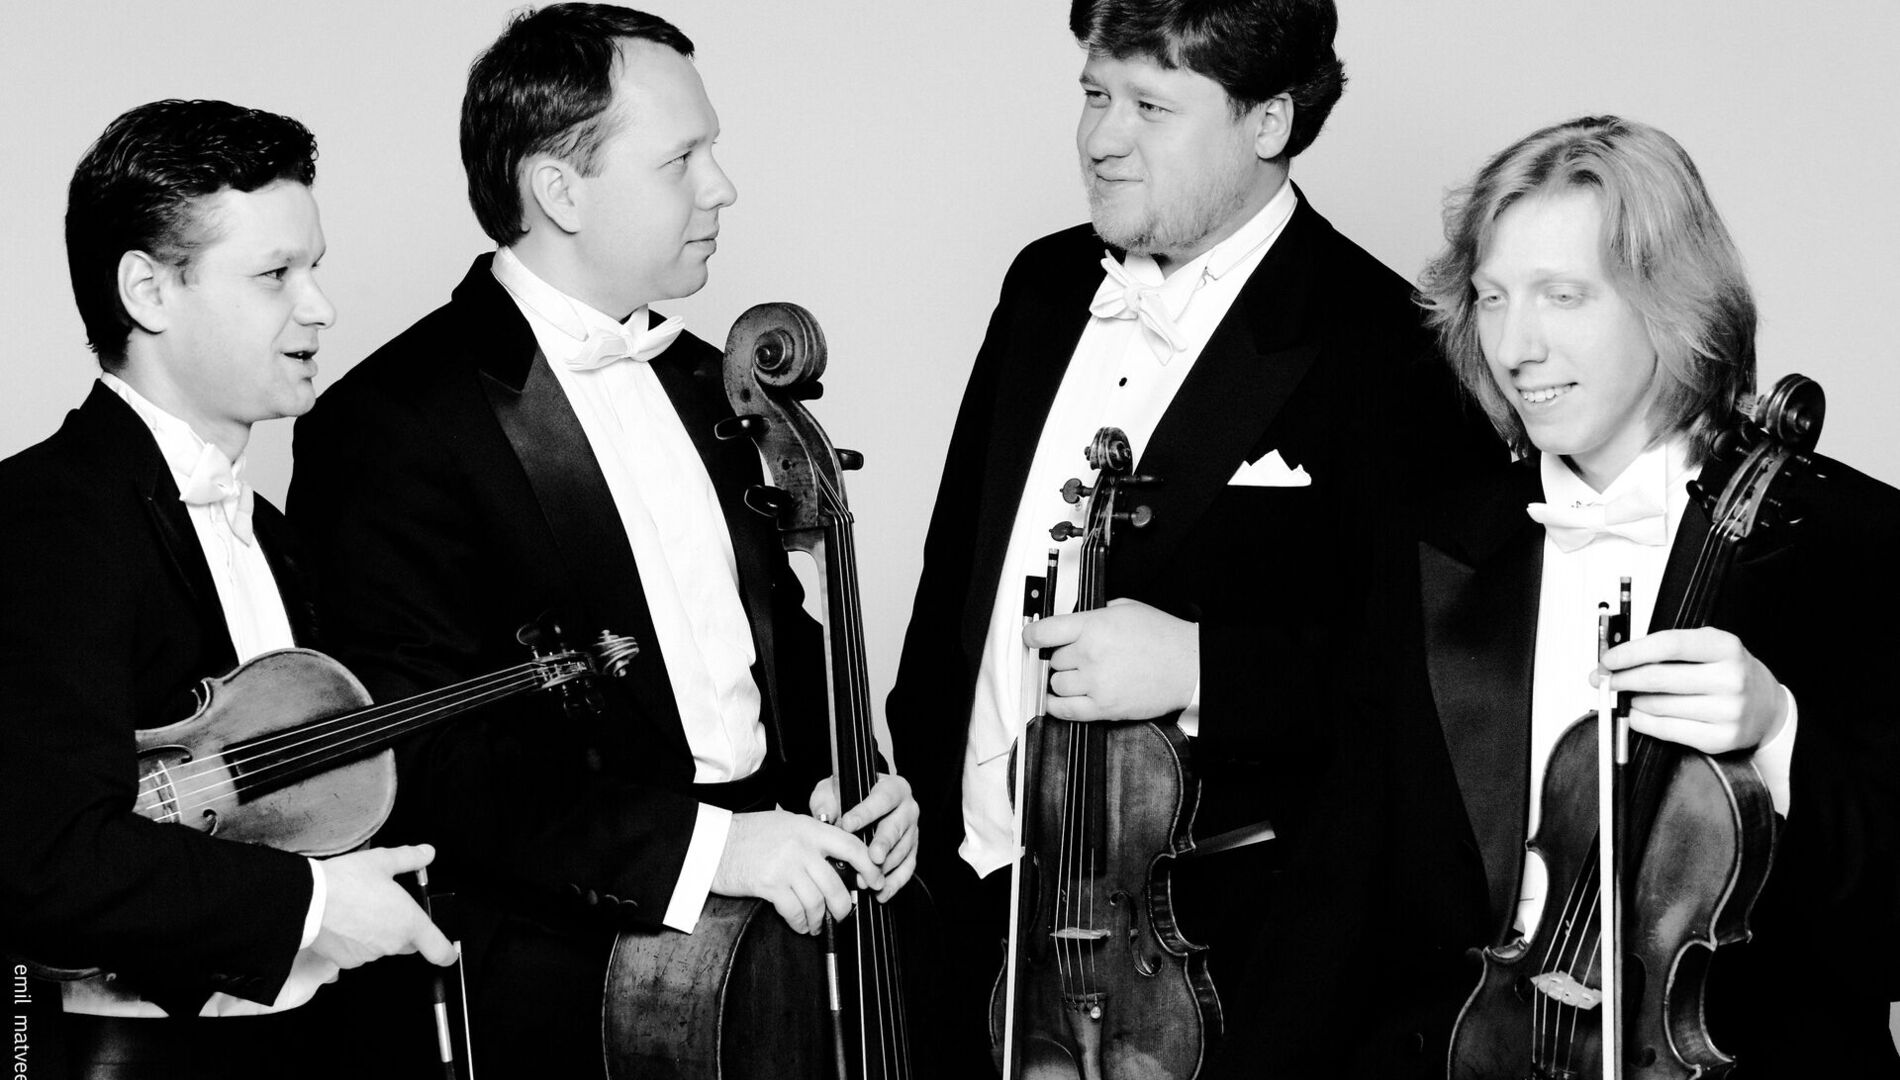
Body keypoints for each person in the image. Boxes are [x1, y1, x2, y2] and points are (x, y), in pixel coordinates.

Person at [286, 5, 920, 1075]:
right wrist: (713, 848)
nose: (722, 187)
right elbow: (421, 752)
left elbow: (771, 634)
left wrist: (849, 775)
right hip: (560, 984)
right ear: (560, 189)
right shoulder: (390, 421)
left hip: (764, 946)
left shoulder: (708, 380)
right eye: (682, 159)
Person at [883, 0, 1501, 1075]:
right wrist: (923, 806)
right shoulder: (1042, 285)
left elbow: (1442, 699)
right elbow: (958, 577)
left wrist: (1201, 666)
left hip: (1204, 971)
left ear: (1267, 121)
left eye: (1151, 107)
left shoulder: (1388, 348)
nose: (1101, 139)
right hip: (964, 912)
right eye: (1094, 95)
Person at [1412, 114, 1900, 1076]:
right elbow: (1358, 888)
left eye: (1563, 296)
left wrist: (1779, 735)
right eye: (1493, 298)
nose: (1515, 346)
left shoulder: (1859, 544)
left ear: (1671, 305)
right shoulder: (1433, 541)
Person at [0, 99, 455, 1080]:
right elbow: (42, 860)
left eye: (314, 269)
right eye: (274, 275)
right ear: (149, 291)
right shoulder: (40, 519)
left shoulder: (275, 534)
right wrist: (316, 906)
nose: (320, 308)